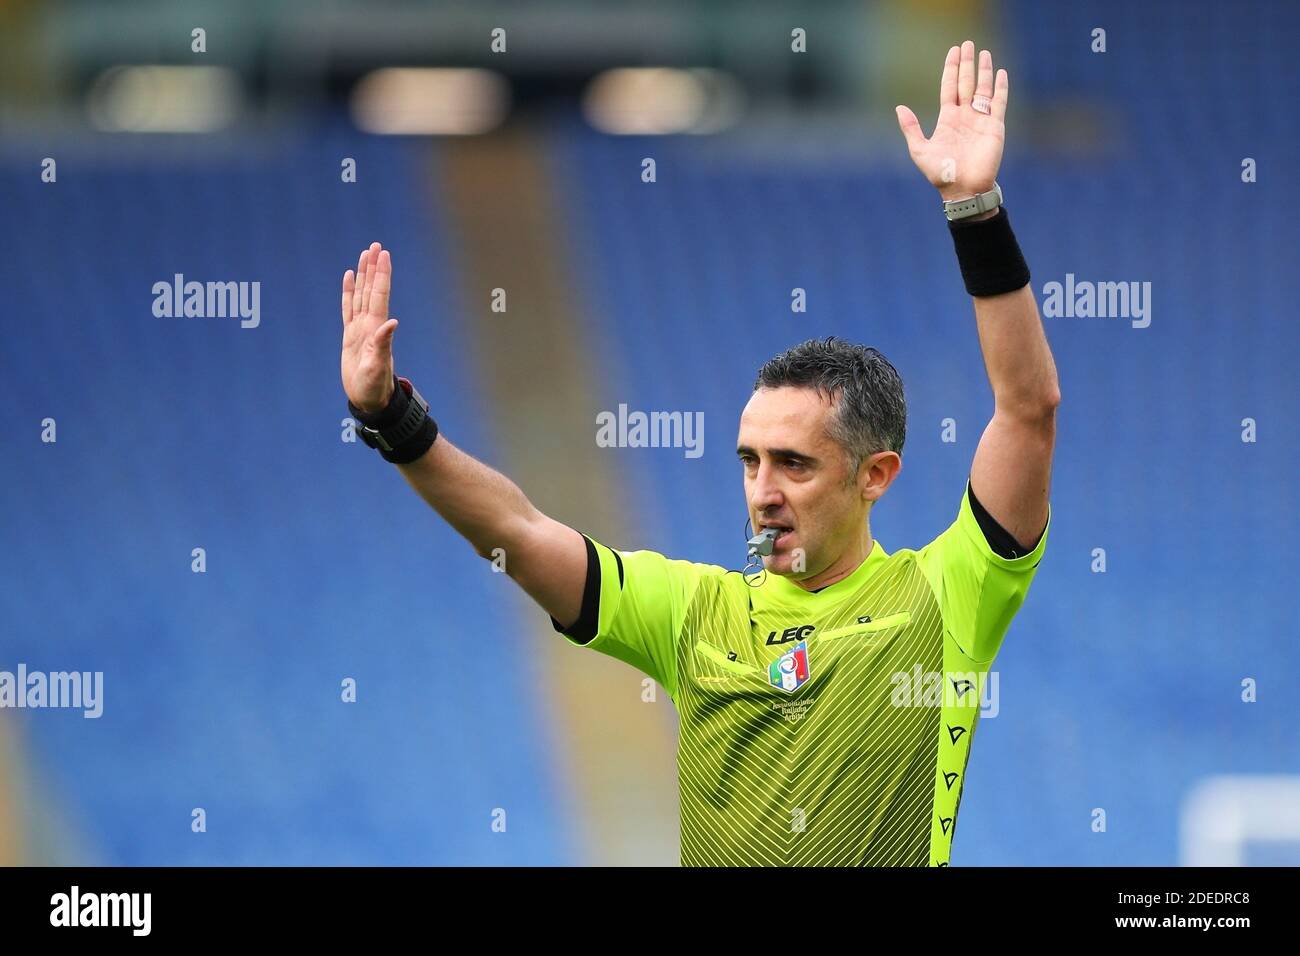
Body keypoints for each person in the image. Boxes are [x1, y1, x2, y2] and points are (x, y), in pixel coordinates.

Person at [338, 40, 1058, 866]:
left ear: (876, 476)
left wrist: (975, 211)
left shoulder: (946, 598)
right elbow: (517, 529)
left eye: (794, 463)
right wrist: (391, 417)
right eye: (749, 462)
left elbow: (1028, 412)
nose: (762, 490)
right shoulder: (691, 615)